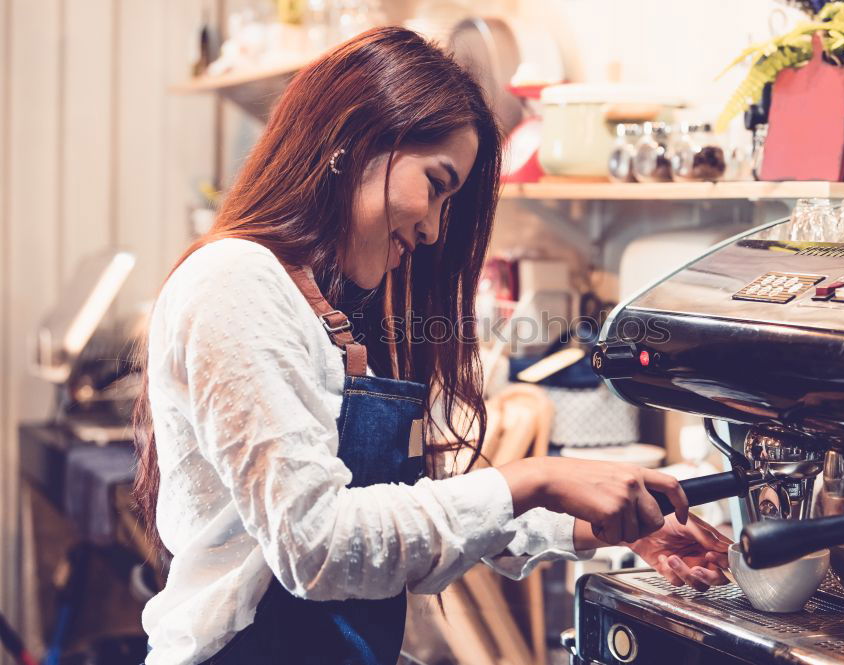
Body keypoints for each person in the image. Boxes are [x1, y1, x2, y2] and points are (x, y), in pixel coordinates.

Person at [133, 27, 730, 665]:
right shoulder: (236, 280)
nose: (434, 226)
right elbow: (319, 547)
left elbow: (399, 507)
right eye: (436, 183)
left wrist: (594, 524)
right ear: (352, 143)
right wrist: (535, 478)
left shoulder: (328, 305)